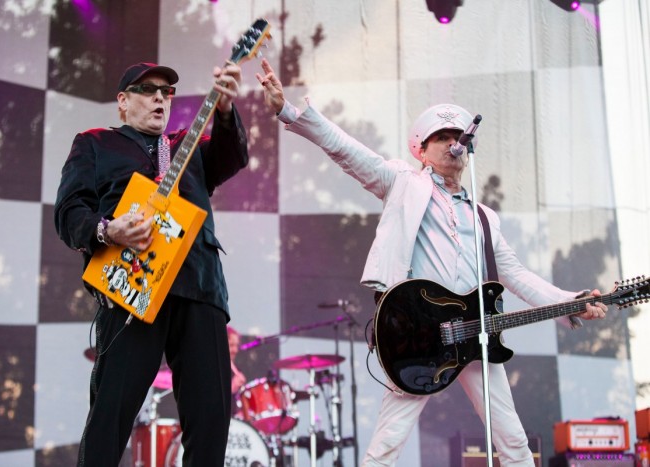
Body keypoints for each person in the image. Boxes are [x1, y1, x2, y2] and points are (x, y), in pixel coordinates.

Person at [255, 58, 608, 467]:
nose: (452, 143)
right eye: (441, 137)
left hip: (473, 338)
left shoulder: (484, 216)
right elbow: (347, 150)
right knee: (387, 444)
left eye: (458, 137)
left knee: (512, 440)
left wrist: (571, 300)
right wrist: (289, 113)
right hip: (418, 335)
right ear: (421, 150)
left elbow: (515, 275)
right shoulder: (403, 183)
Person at [54, 61, 249, 466]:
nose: (160, 96)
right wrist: (108, 230)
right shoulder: (94, 144)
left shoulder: (187, 145)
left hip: (199, 286)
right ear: (122, 102)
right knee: (110, 414)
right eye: (148, 89)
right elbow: (69, 213)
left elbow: (232, 157)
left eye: (167, 91)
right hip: (130, 288)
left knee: (211, 418)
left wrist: (227, 109)